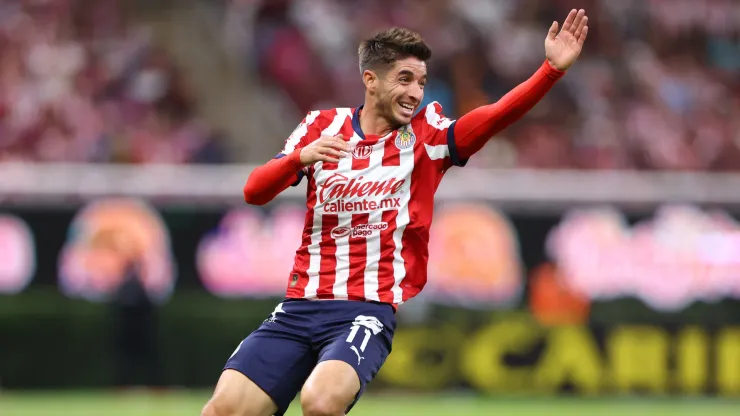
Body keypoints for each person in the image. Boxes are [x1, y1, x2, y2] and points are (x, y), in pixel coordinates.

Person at [202, 9, 589, 416]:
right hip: (299, 306)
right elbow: (254, 191)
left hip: (365, 311)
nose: (416, 93)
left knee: (321, 401)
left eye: (421, 82)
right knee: (223, 410)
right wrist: (298, 158)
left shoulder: (426, 134)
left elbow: (492, 118)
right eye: (404, 79)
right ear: (371, 80)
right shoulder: (321, 126)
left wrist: (549, 72)